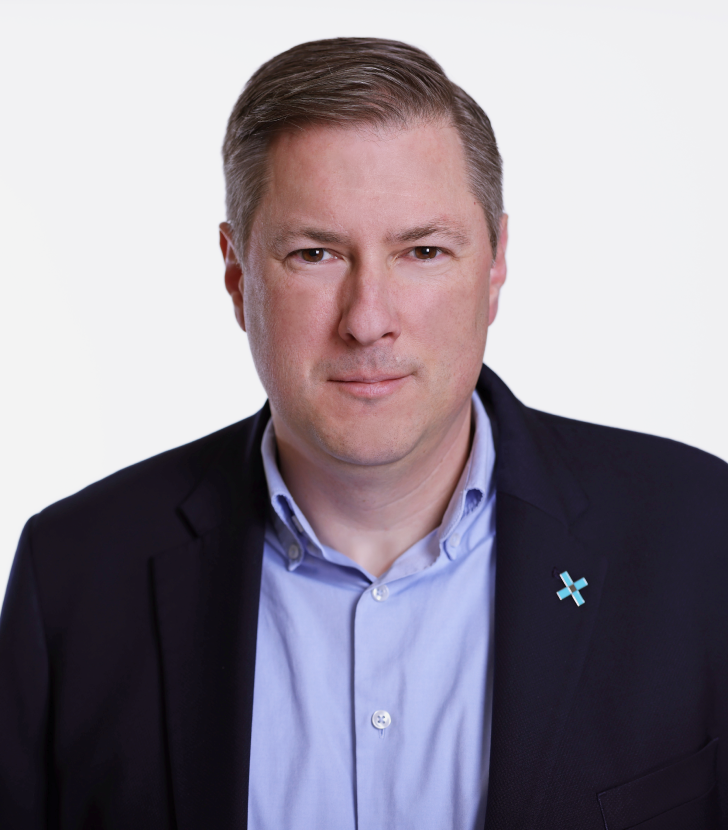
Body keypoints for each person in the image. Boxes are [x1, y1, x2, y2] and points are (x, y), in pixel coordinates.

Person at [0, 36, 726, 830]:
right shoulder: (72, 576)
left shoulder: (701, 538)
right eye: (315, 253)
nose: (368, 319)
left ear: (495, 265)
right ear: (238, 274)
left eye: (423, 251)